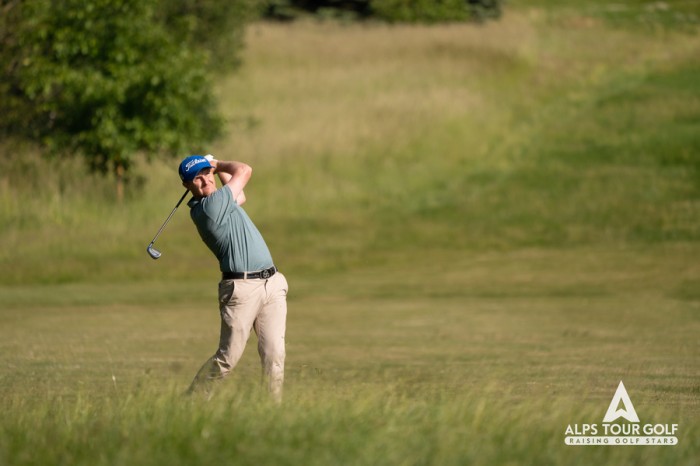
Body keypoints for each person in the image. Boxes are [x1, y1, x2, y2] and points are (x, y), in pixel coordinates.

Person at [179, 154, 288, 402]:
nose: (205, 180)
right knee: (227, 358)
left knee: (274, 354)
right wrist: (217, 164)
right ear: (187, 186)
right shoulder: (209, 208)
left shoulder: (221, 200)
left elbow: (241, 196)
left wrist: (213, 171)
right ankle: (190, 402)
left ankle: (273, 412)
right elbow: (244, 170)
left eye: (206, 173)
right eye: (197, 178)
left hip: (271, 283)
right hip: (241, 289)